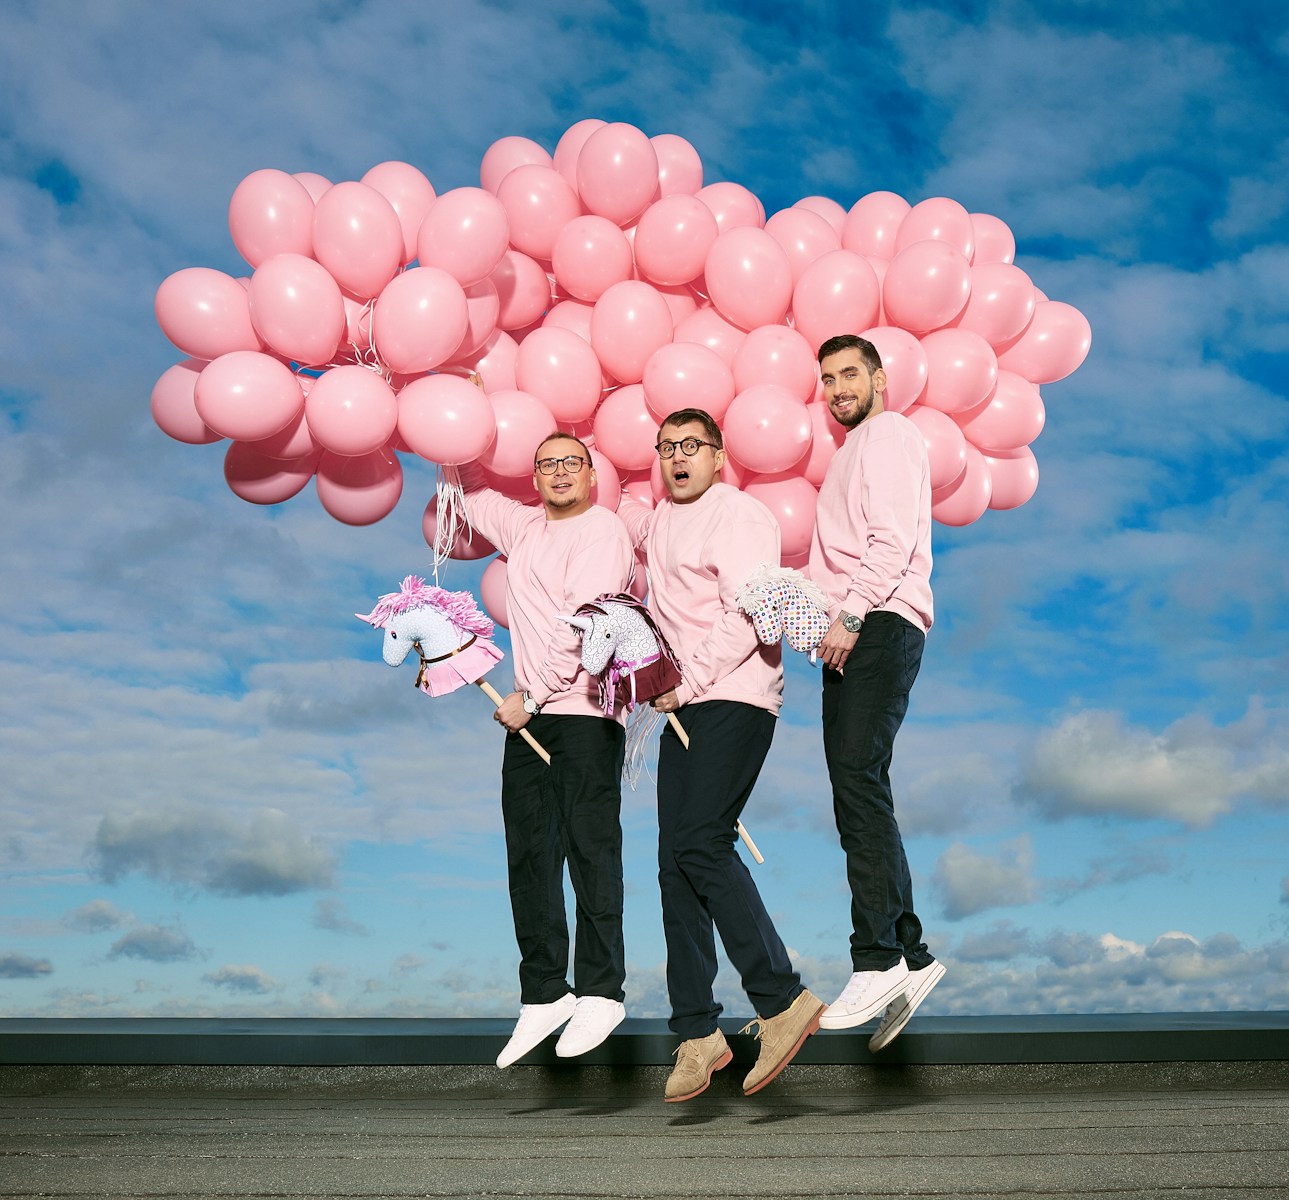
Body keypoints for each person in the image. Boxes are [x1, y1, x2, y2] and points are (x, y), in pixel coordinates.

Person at [618, 409, 823, 1102]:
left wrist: (687, 679)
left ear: (718, 455)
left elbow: (748, 612)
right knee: (673, 862)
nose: (677, 457)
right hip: (685, 705)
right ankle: (698, 1031)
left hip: (733, 697)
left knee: (701, 844)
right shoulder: (658, 521)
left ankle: (781, 1000)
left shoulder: (738, 515)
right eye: (666, 447)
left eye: (691, 446)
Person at [459, 433, 636, 1068]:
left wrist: (530, 694)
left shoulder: (603, 531)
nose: (560, 472)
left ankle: (600, 990)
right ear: (534, 476)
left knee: (590, 847)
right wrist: (460, 422)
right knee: (529, 854)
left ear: (593, 474)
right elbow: (468, 494)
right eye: (548, 463)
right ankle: (544, 993)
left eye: (572, 463)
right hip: (528, 717)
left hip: (585, 715)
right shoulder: (525, 526)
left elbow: (585, 626)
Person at [809, 334, 946, 1051]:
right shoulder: (851, 449)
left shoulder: (888, 433)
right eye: (827, 378)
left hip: (877, 624)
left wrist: (849, 612)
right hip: (860, 628)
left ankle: (878, 957)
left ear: (880, 380)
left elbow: (889, 542)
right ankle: (908, 957)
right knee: (859, 787)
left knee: (856, 782)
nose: (836, 387)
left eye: (849, 374)